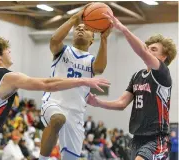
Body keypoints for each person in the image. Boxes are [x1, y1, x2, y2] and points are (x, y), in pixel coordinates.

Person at [0, 35, 110, 160]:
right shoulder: (7, 77)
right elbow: (47, 83)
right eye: (7, 49)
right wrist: (83, 80)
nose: (10, 51)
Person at [87, 12, 177, 160]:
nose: (148, 50)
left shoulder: (162, 73)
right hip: (136, 137)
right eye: (148, 48)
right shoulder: (137, 76)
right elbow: (122, 103)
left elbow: (141, 51)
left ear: (163, 57)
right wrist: (97, 102)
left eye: (153, 49)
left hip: (156, 138)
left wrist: (122, 28)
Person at [39, 3, 112, 160]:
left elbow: (99, 68)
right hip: (54, 102)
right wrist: (73, 19)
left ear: (92, 39)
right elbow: (54, 40)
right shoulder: (63, 50)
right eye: (77, 28)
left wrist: (104, 39)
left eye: (85, 28)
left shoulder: (91, 60)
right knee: (58, 119)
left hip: (76, 112)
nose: (80, 29)